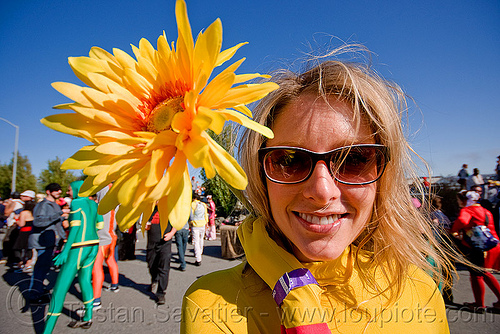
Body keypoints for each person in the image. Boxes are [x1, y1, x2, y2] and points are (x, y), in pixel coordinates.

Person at [182, 53, 451, 332]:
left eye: (354, 159)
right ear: (261, 177)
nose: (322, 192)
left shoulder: (420, 291)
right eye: (289, 160)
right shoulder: (212, 306)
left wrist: (291, 286)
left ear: (384, 177)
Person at [43, 180, 102, 332]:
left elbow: (75, 229)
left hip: (78, 247)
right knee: (85, 280)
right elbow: (100, 225)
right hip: (93, 245)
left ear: (77, 189)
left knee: (59, 289)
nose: (68, 192)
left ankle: (47, 330)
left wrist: (65, 251)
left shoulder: (77, 203)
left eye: (70, 189)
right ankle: (88, 317)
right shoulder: (94, 204)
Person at [450, 191, 500, 311]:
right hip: (492, 244)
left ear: (464, 200)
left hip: (478, 247)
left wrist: (453, 230)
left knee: (477, 275)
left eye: (459, 200)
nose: (458, 202)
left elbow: (462, 221)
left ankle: (479, 304)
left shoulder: (467, 210)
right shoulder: (485, 210)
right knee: (486, 272)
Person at [29, 183, 67, 303]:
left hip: (50, 241)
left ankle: (39, 290)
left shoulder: (54, 205)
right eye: (55, 190)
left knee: (44, 267)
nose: (59, 192)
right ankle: (35, 294)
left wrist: (63, 235)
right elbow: (38, 222)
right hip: (42, 241)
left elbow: (55, 222)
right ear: (48, 192)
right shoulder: (43, 205)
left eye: (59, 190)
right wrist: (60, 214)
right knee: (40, 268)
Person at [91, 184, 120, 311]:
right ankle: (115, 285)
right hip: (112, 235)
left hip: (103, 238)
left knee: (96, 267)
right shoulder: (116, 202)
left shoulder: (103, 205)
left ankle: (96, 300)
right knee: (110, 260)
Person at [145, 207, 176, 305]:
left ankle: (161, 293)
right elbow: (145, 222)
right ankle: (154, 279)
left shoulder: (169, 208)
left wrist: (171, 233)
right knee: (151, 263)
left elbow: (177, 222)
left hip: (165, 243)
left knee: (164, 267)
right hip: (152, 242)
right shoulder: (150, 209)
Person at [12, 199, 36, 273]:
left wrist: (16, 219)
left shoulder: (24, 212)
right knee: (29, 248)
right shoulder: (34, 213)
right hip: (32, 231)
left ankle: (20, 263)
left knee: (17, 247)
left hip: (24, 232)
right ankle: (28, 264)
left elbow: (21, 224)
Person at [189, 193, 208, 266]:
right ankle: (200, 252)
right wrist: (206, 222)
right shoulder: (203, 204)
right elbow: (205, 214)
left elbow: (190, 215)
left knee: (196, 241)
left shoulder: (192, 204)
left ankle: (198, 258)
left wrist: (191, 223)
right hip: (202, 223)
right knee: (201, 239)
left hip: (195, 224)